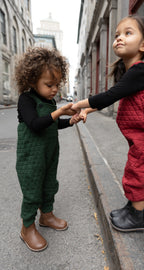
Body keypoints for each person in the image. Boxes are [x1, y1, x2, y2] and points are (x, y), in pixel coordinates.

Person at [71, 15, 144, 232]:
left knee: (135, 172)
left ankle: (138, 217)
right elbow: (113, 96)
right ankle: (132, 207)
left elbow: (108, 96)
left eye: (128, 33)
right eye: (117, 34)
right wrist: (87, 109)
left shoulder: (139, 70)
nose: (119, 38)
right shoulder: (132, 72)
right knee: (135, 169)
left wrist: (78, 104)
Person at [15, 47, 83, 251]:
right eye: (48, 85)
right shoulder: (26, 100)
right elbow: (35, 124)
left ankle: (46, 215)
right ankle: (27, 228)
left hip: (50, 154)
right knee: (32, 191)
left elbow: (51, 124)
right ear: (32, 80)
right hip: (31, 157)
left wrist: (70, 120)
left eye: (57, 85)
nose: (54, 90)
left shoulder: (51, 101)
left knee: (49, 184)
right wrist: (59, 112)